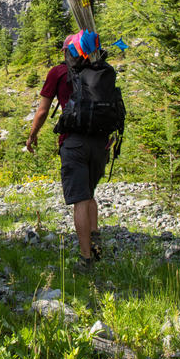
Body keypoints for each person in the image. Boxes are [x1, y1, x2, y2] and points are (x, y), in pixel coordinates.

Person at [25, 30, 109, 270]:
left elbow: (42, 111)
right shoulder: (100, 70)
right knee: (90, 192)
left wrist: (32, 136)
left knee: (80, 199)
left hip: (73, 142)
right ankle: (95, 238)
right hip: (100, 141)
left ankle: (86, 258)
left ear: (68, 51)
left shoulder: (58, 73)